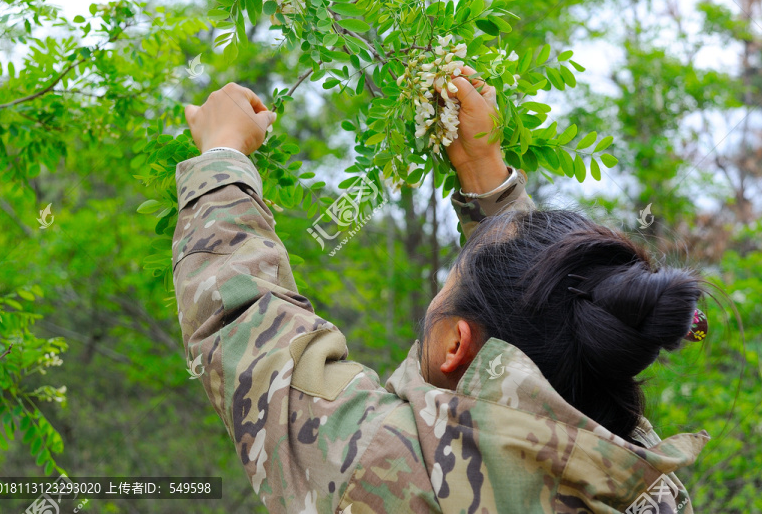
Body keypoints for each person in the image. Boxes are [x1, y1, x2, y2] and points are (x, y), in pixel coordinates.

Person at [172, 70, 710, 513]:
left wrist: (221, 158)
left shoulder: (399, 475)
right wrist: (484, 172)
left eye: (447, 287)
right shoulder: (645, 481)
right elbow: (544, 320)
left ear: (457, 345)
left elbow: (250, 333)